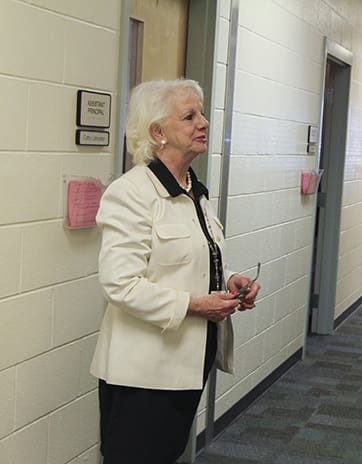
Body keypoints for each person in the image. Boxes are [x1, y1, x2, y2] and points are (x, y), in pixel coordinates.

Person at [91, 79, 260, 464]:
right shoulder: (131, 193)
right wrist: (194, 305)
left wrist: (229, 280)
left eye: (201, 113)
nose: (203, 122)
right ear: (158, 132)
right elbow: (120, 283)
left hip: (185, 361)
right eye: (189, 116)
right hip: (143, 372)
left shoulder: (193, 190)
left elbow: (188, 260)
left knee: (166, 452)